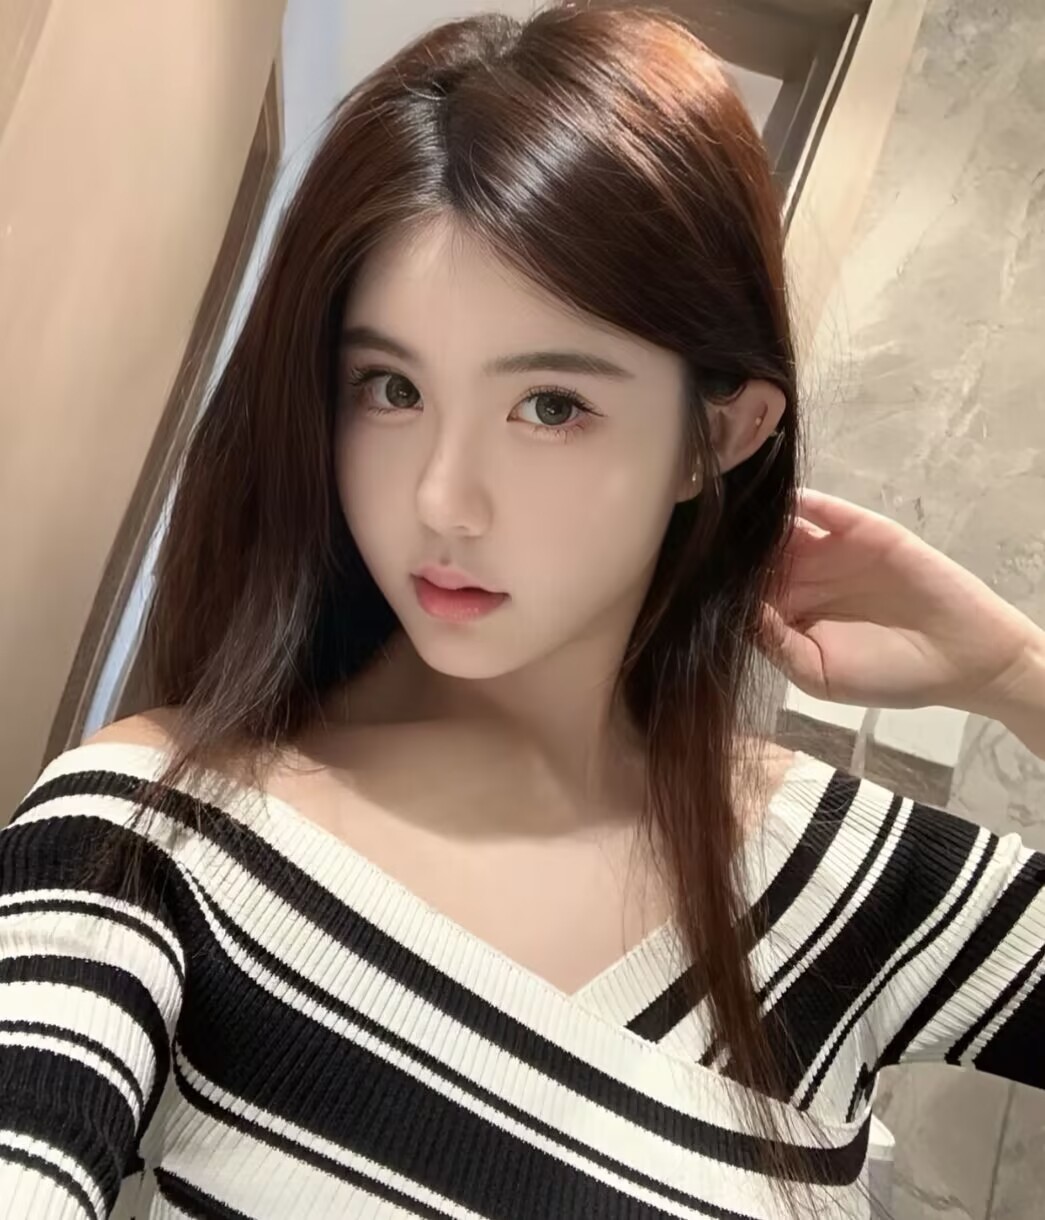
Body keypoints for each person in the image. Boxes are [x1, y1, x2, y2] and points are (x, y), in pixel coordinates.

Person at [1, 6, 1042, 1218]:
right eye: (389, 387)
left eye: (550, 405)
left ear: (715, 437)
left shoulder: (841, 877)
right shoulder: (155, 835)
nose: (442, 499)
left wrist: (1013, 671)